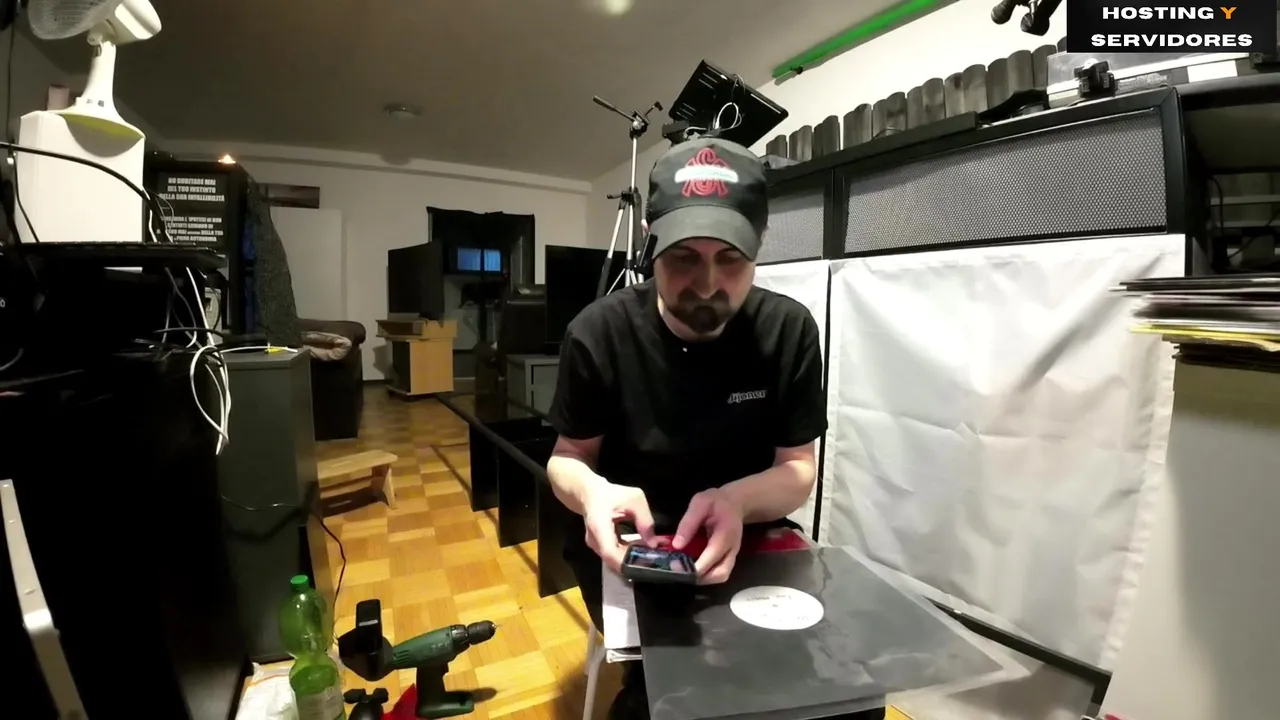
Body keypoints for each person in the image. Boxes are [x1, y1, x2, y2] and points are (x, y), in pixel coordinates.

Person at [545, 136, 885, 720]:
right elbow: (567, 456)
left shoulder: (788, 331)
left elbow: (797, 467)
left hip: (750, 534)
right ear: (651, 244)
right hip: (637, 547)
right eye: (683, 257)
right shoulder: (598, 333)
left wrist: (736, 501)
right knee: (672, 700)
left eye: (730, 259)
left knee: (849, 704)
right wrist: (594, 494)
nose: (706, 284)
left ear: (758, 246)